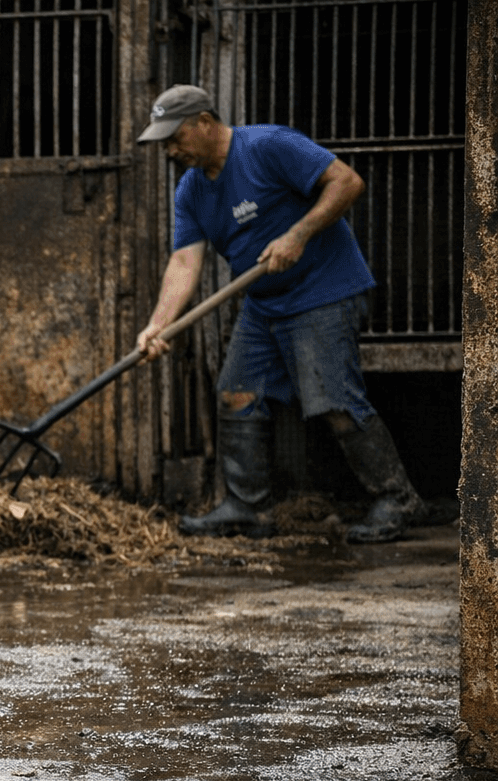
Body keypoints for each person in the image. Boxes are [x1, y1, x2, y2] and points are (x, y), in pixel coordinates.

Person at [136, 85, 425, 543]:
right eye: (164, 142)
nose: (171, 150)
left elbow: (347, 181)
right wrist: (158, 323)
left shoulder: (268, 146)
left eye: (176, 137)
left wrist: (299, 233)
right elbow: (184, 261)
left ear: (206, 122)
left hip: (323, 291)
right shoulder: (191, 190)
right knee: (236, 393)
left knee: (334, 401)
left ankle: (396, 498)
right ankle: (247, 507)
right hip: (264, 305)